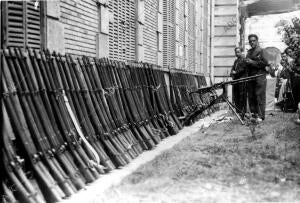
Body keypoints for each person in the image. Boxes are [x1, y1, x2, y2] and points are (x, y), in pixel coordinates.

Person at [245, 34, 268, 122]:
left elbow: (264, 64)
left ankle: (261, 116)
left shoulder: (262, 51)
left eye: (253, 40)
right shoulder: (249, 52)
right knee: (252, 96)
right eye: (250, 41)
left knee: (259, 96)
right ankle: (254, 114)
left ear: (257, 41)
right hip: (251, 77)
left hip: (260, 77)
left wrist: (252, 62)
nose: (252, 42)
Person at [230, 47, 247, 118]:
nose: (236, 53)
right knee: (236, 97)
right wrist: (232, 73)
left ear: (241, 52)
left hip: (242, 81)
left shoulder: (244, 60)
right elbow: (232, 69)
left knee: (242, 97)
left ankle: (243, 112)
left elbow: (242, 70)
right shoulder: (236, 61)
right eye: (236, 52)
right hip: (236, 81)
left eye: (238, 52)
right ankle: (238, 112)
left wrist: (235, 72)